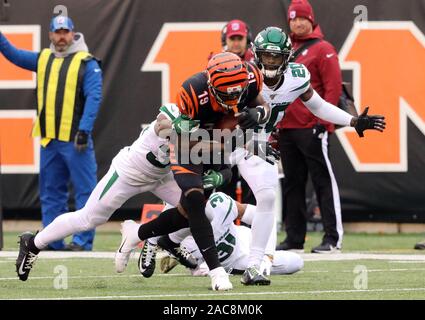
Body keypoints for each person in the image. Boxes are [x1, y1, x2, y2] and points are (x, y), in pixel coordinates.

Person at [116, 52, 275, 289]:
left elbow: (264, 106)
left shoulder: (251, 77)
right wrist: (235, 143)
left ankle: (138, 233)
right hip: (189, 147)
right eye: (225, 94)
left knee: (186, 213)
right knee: (195, 201)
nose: (232, 101)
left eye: (237, 93)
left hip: (221, 144)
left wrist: (259, 113)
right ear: (211, 86)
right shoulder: (193, 92)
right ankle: (216, 272)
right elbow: (181, 142)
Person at [248, 25, 385, 256]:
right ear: (256, 54)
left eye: (276, 56)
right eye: (266, 55)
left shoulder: (295, 77)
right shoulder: (246, 76)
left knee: (267, 197)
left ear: (287, 58)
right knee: (211, 191)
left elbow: (319, 106)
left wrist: (352, 121)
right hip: (229, 142)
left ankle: (254, 256)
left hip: (258, 147)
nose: (270, 61)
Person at [15, 103, 187, 281]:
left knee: (198, 209)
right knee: (88, 219)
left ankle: (156, 240)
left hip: (162, 177)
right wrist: (177, 128)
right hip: (129, 173)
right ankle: (34, 243)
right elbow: (161, 124)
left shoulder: (209, 124)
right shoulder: (177, 111)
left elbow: (207, 150)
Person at [0, 16, 102, 251]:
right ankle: (52, 240)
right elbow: (13, 54)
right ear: (50, 35)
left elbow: (94, 98)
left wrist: (84, 131)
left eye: (66, 31)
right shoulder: (43, 58)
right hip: (49, 141)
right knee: (50, 193)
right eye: (58, 32)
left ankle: (81, 242)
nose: (62, 36)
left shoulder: (87, 62)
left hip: (76, 141)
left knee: (86, 192)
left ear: (73, 33)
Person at [276, 0, 346, 253]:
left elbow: (332, 88)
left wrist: (324, 123)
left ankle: (332, 238)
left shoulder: (323, 48)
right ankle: (294, 238)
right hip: (288, 128)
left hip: (312, 127)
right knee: (293, 184)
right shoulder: (286, 49)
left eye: (302, 18)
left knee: (322, 181)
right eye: (293, 18)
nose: (297, 22)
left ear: (312, 19)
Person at [140, 192, 304, 277]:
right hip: (237, 261)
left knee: (296, 261)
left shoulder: (219, 203)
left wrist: (267, 256)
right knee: (295, 262)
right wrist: (195, 266)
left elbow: (263, 216)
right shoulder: (178, 231)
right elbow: (169, 245)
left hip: (245, 240)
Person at [217, 19, 256, 205]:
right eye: (232, 38)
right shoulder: (216, 63)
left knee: (253, 185)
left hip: (251, 131)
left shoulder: (256, 63)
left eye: (239, 38)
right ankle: (226, 228)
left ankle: (251, 232)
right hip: (226, 132)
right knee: (225, 184)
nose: (236, 42)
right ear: (226, 39)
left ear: (247, 38)